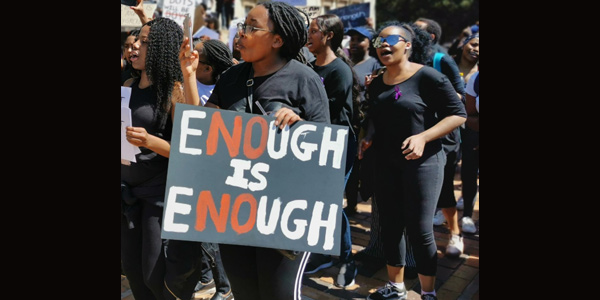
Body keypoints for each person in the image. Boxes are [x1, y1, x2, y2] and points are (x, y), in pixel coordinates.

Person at [204, 2, 331, 299]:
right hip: (234, 210)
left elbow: (326, 150)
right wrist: (186, 74)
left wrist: (300, 127)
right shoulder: (231, 78)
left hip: (283, 214)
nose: (241, 33)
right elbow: (204, 128)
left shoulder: (305, 79)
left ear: (277, 39)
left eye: (251, 27)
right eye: (242, 26)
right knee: (245, 292)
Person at [358, 21, 466, 300]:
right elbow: (375, 118)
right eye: (378, 40)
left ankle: (428, 293)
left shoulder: (429, 77)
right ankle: (396, 288)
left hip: (423, 164)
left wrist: (424, 137)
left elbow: (458, 114)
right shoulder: (377, 81)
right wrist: (367, 135)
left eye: (390, 39)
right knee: (391, 226)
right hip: (385, 163)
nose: (382, 44)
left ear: (408, 45)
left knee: (420, 230)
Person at [161, 38, 237, 300]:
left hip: (219, 171)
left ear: (207, 68)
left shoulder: (228, 88)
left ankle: (225, 286)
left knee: (213, 232)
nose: (187, 60)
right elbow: (187, 124)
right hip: (195, 169)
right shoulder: (184, 84)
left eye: (195, 59)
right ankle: (206, 277)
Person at [121, 17, 186, 300]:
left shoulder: (174, 91)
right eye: (137, 40)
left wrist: (150, 141)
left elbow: (188, 151)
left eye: (144, 41)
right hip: (126, 192)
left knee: (152, 274)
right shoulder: (127, 83)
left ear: (160, 48)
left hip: (157, 196)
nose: (135, 45)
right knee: (132, 271)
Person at [302, 13, 360, 288]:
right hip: (315, 145)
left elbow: (329, 114)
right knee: (321, 202)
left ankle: (347, 259)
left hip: (337, 147)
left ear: (329, 36)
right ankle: (322, 254)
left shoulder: (340, 71)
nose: (308, 36)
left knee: (331, 203)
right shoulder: (310, 67)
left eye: (313, 31)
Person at [414, 17, 466, 257]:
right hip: (415, 133)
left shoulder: (440, 60)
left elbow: (461, 98)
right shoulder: (404, 60)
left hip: (443, 136)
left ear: (430, 37)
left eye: (416, 30)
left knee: (444, 186)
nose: (410, 32)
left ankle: (455, 233)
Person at [342, 25, 381, 216]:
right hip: (346, 121)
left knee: (361, 166)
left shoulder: (375, 64)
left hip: (365, 124)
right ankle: (350, 206)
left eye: (360, 39)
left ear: (370, 43)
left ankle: (358, 202)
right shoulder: (344, 62)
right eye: (353, 39)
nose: (355, 43)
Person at [453, 33, 479, 234]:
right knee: (469, 174)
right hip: (474, 137)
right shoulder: (475, 79)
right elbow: (469, 115)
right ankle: (468, 215)